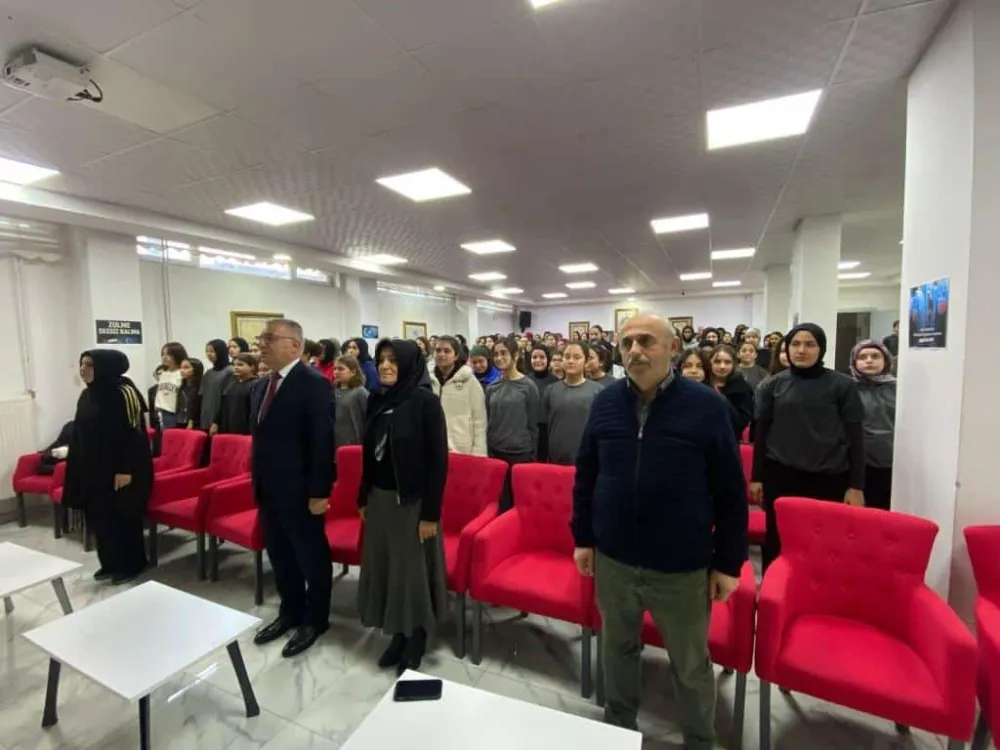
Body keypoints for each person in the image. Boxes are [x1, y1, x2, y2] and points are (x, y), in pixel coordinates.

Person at [572, 315, 748, 748]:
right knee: (618, 650)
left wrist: (728, 562)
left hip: (680, 565)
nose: (634, 350)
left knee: (689, 664)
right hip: (615, 558)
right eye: (627, 342)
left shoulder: (706, 405)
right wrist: (583, 538)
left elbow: (730, 489)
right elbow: (586, 474)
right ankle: (618, 731)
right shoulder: (605, 402)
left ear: (673, 348)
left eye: (646, 341)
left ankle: (699, 739)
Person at [358, 339, 449, 676]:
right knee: (388, 569)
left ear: (410, 365)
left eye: (393, 360)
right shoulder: (377, 399)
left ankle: (417, 636)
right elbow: (369, 453)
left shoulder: (425, 402)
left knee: (411, 574)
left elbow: (438, 463)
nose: (385, 366)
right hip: (379, 500)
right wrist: (362, 495)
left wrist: (431, 514)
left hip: (411, 503)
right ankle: (398, 631)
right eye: (381, 360)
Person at [251, 319, 336, 657]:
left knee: (311, 557)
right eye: (261, 338)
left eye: (269, 338)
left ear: (295, 346)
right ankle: (290, 611)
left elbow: (322, 442)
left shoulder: (314, 384)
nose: (262, 344)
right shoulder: (261, 386)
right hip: (268, 489)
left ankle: (316, 619)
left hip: (301, 491)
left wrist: (320, 492)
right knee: (280, 555)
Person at [750, 323, 866, 570]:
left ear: (821, 348)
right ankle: (774, 587)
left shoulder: (842, 385)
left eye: (810, 344)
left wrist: (856, 485)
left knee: (824, 543)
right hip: (781, 475)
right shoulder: (772, 385)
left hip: (829, 478)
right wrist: (757, 477)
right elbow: (761, 434)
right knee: (778, 539)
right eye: (795, 344)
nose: (801, 350)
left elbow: (856, 438)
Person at [63, 350, 153, 584]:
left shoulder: (124, 392)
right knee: (99, 515)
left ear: (105, 367)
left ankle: (132, 565)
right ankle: (110, 563)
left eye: (89, 365)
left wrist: (126, 469)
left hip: (120, 468)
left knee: (122, 516)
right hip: (94, 467)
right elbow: (80, 432)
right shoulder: (87, 394)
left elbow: (134, 434)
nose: (83, 369)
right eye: (82, 364)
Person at [486, 336, 540, 511]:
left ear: (515, 355)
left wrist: (532, 454)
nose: (499, 357)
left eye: (504, 353)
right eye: (496, 354)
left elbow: (533, 424)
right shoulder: (491, 387)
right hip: (496, 452)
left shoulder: (528, 386)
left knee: (520, 504)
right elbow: (489, 419)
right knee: (501, 504)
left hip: (520, 453)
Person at [851, 340, 896, 510]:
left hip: (891, 461)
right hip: (858, 463)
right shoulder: (848, 388)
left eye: (875, 356)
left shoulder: (899, 388)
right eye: (862, 357)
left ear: (886, 360)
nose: (869, 361)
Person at [541, 341, 603, 465]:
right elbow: (543, 427)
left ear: (586, 362)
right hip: (555, 461)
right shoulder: (551, 390)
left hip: (587, 462)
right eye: (567, 356)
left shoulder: (598, 391)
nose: (570, 361)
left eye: (577, 357)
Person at [431, 336, 487, 456]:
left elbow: (479, 421)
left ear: (456, 356)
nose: (441, 354)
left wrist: (478, 454)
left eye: (447, 351)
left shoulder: (470, 382)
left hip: (462, 449)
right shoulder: (428, 381)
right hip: (433, 448)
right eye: (438, 350)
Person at [708, 345, 754, 441]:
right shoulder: (703, 384)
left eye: (727, 362)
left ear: (734, 364)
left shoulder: (742, 388)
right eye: (717, 361)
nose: (722, 366)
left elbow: (742, 421)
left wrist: (721, 398)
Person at [215, 353, 258, 435]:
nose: (236, 367)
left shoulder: (256, 384)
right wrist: (216, 422)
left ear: (252, 367)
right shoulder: (231, 384)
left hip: (245, 429)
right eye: (234, 365)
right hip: (227, 426)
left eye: (240, 365)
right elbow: (224, 404)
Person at [333, 355, 368, 450]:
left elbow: (367, 420)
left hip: (352, 444)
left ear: (353, 372)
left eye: (341, 369)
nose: (336, 372)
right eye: (335, 369)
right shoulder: (334, 391)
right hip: (335, 443)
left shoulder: (360, 392)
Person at [202, 340, 233, 434]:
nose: (209, 354)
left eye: (212, 351)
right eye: (207, 351)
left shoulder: (229, 371)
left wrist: (217, 421)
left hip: (220, 417)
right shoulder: (208, 373)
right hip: (206, 417)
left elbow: (226, 398)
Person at [154, 342, 187, 428]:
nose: (164, 357)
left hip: (175, 412)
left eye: (168, 354)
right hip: (161, 411)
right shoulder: (162, 373)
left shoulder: (182, 373)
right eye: (163, 354)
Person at [176, 357, 204, 429]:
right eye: (181, 368)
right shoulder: (182, 387)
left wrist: (192, 421)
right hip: (180, 421)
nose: (182, 370)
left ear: (196, 369)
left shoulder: (202, 387)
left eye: (186, 367)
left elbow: (199, 407)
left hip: (196, 424)